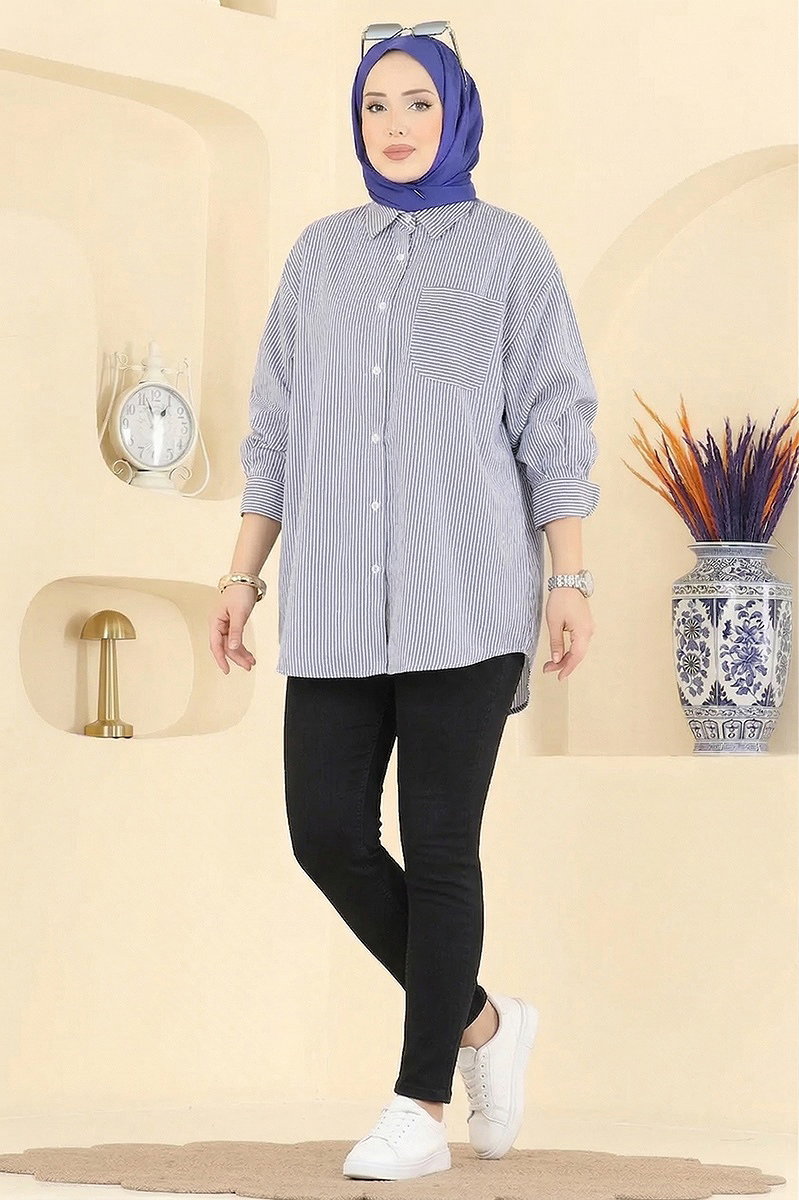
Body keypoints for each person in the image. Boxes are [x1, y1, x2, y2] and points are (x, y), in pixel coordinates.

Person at [209, 22, 599, 1184]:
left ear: (455, 112)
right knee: (325, 832)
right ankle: (483, 1023)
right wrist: (241, 575)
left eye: (417, 102)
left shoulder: (511, 254)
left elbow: (553, 420)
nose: (395, 124)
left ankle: (419, 1104)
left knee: (438, 846)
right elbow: (276, 427)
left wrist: (569, 576)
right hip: (334, 594)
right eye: (375, 104)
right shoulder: (318, 259)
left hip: (464, 592)